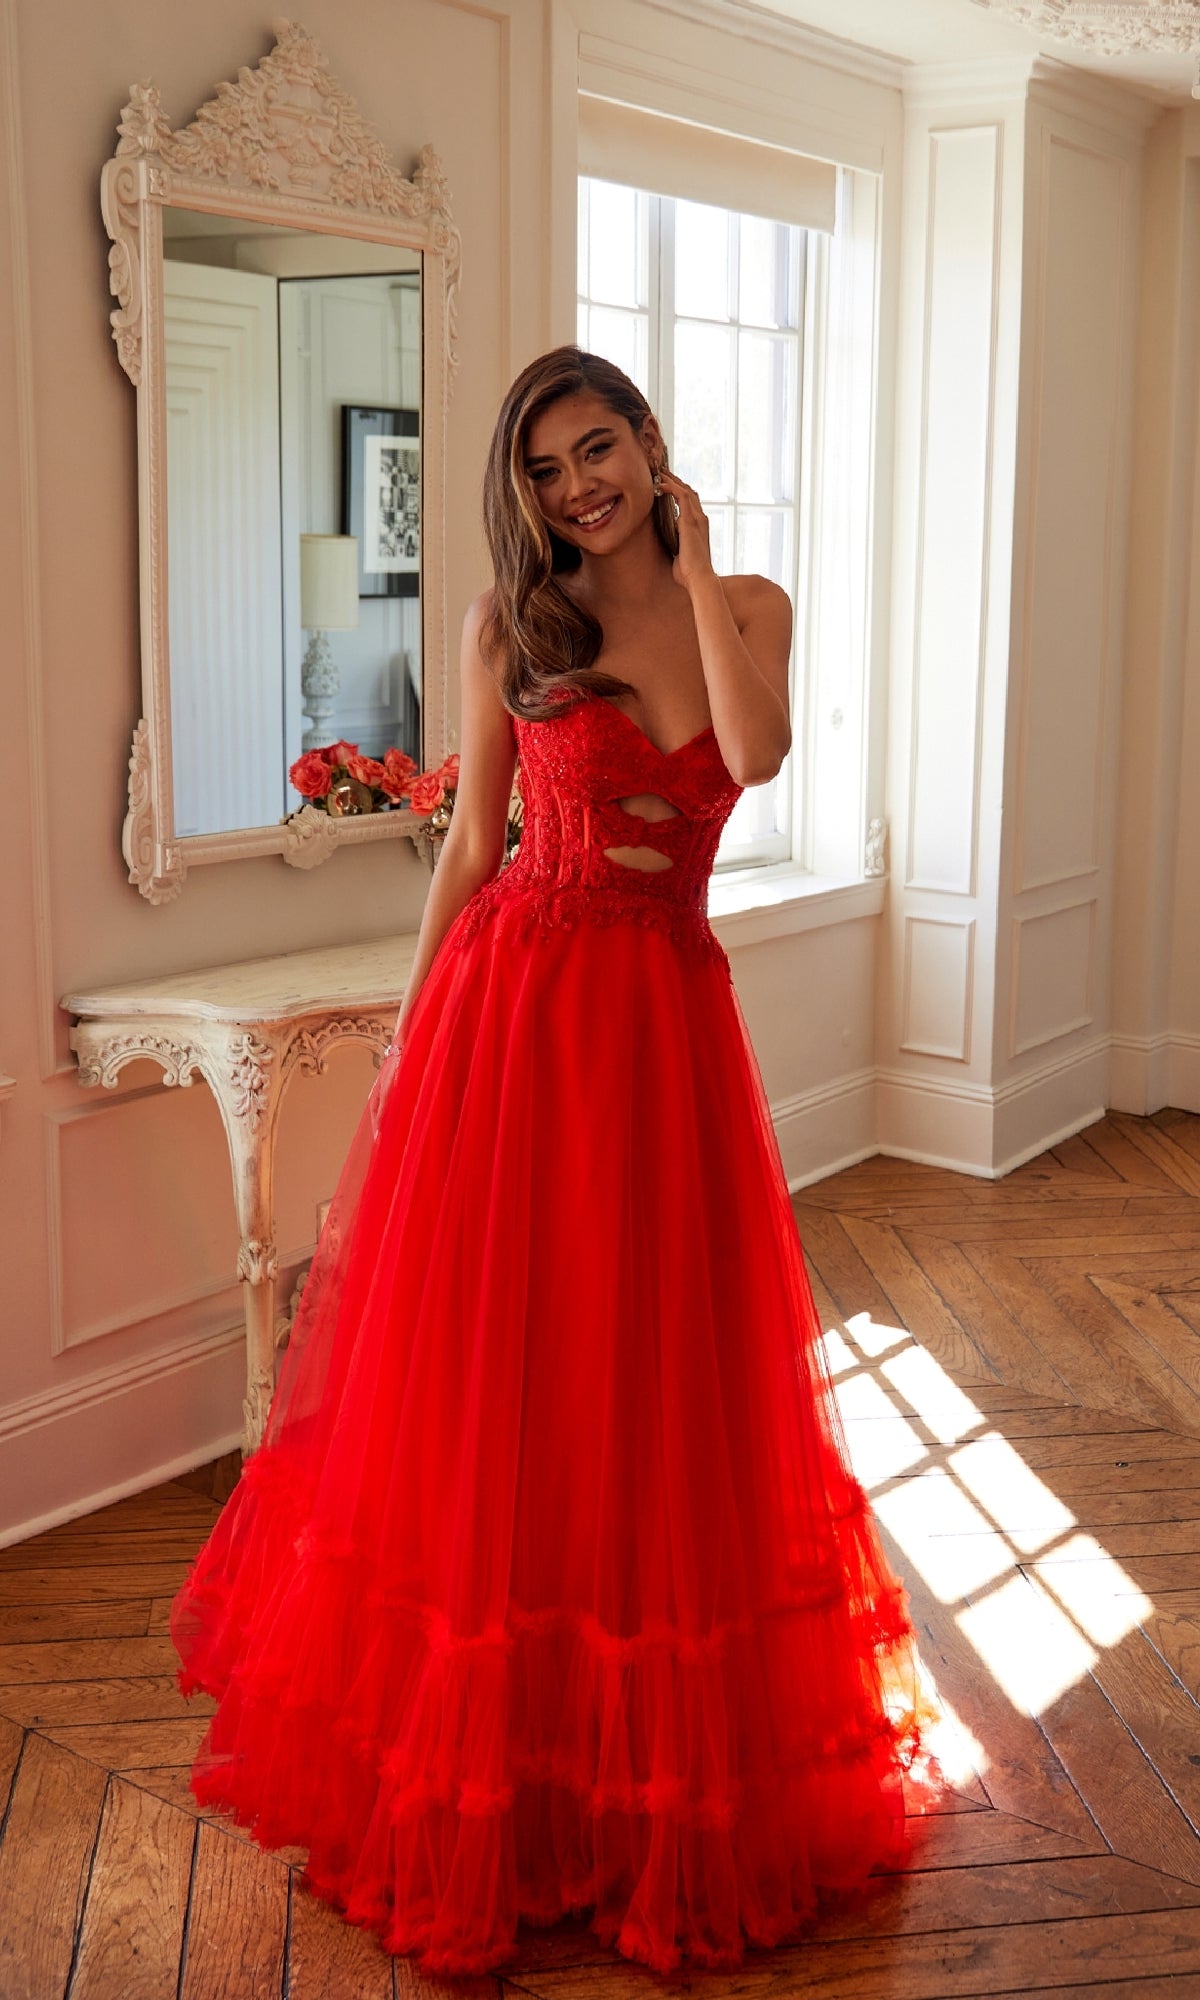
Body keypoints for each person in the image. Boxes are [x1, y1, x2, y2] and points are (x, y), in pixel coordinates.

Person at [170, 345, 933, 1978]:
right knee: (500, 1378)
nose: (576, 487)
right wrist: (416, 1022)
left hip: (662, 1029)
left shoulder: (753, 607)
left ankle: (634, 1779)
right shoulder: (515, 627)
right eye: (546, 470)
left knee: (650, 1380)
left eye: (600, 450)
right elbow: (470, 842)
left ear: (651, 446)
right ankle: (497, 1778)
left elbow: (761, 752)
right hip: (520, 1012)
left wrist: (704, 563)